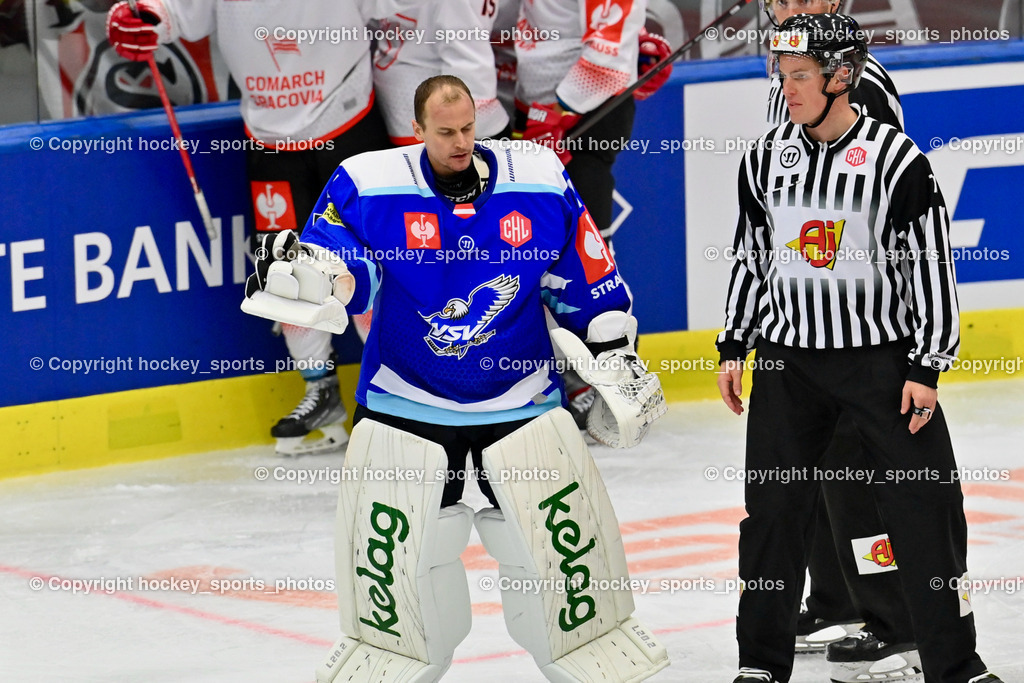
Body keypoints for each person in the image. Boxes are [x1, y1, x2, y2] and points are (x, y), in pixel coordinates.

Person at [241, 75, 669, 682]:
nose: (461, 142)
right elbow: (344, 271)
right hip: (406, 404)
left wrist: (615, 355)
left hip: (522, 404)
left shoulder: (540, 180)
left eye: (469, 128)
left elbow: (585, 279)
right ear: (417, 131)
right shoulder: (369, 183)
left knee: (565, 579)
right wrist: (311, 276)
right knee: (398, 594)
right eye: (445, 133)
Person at [716, 14, 1003, 683]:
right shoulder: (764, 159)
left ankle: (956, 665)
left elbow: (930, 266)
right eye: (781, 76)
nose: (787, 90)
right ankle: (760, 663)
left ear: (840, 77)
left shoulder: (897, 161)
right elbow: (751, 257)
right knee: (773, 517)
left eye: (801, 76)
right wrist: (735, 342)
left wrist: (927, 363)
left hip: (881, 365)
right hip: (789, 366)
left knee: (927, 509)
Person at [106, 0, 403, 454]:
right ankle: (321, 392)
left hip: (347, 126)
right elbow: (176, 13)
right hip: (270, 136)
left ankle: (395, 400)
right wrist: (141, 16)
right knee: (283, 271)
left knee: (364, 267)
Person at [760, 2, 919, 680]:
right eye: (782, 0)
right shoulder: (792, 74)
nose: (791, 9)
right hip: (807, 316)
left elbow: (877, 202)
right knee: (819, 463)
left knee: (859, 474)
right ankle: (834, 599)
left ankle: (898, 622)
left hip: (857, 320)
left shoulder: (862, 82)